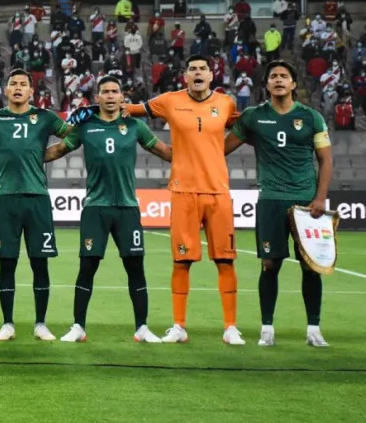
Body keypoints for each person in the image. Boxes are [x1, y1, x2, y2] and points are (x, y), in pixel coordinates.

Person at [123, 55, 245, 345]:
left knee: (225, 260)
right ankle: (179, 326)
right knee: (182, 260)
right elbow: (132, 110)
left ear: (211, 75)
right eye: (192, 69)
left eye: (203, 68)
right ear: (185, 77)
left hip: (218, 192)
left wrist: (220, 151)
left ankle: (230, 327)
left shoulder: (226, 103)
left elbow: (244, 129)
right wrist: (99, 107)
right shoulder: (169, 100)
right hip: (183, 192)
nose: (198, 72)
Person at [44, 76, 172, 343]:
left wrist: (199, 148)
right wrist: (24, 155)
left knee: (135, 267)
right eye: (105, 92)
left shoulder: (135, 126)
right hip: (96, 208)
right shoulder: (85, 126)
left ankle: (142, 328)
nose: (111, 95)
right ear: (97, 98)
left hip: (127, 208)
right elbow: (56, 150)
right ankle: (78, 326)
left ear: (122, 96)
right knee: (87, 266)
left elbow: (166, 151)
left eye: (115, 91)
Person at [224, 61, 332, 347]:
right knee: (270, 264)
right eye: (273, 76)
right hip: (270, 198)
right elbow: (222, 147)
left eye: (285, 76)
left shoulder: (312, 117)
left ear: (294, 84)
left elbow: (325, 160)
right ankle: (267, 329)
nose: (279, 80)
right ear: (267, 85)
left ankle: (313, 329)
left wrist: (320, 197)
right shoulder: (253, 117)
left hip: (306, 203)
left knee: (311, 266)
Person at [0, 69, 73, 341]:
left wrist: (50, 153)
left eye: (23, 85)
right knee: (7, 263)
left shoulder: (45, 118)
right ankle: (8, 323)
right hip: (6, 198)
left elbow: (71, 136)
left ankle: (40, 324)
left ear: (32, 91)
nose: (18, 88)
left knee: (39, 263)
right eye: (13, 84)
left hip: (37, 198)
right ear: (5, 90)